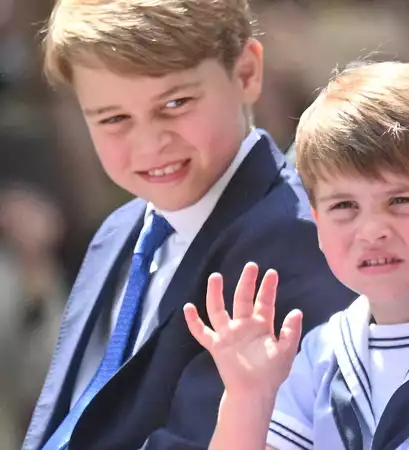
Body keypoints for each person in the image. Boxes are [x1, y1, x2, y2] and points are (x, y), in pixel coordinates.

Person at [23, 0, 355, 448]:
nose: (149, 144)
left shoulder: (298, 242)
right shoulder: (120, 232)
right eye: (114, 118)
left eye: (175, 104)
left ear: (246, 74)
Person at [183, 61, 409, 450]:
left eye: (400, 200)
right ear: (317, 224)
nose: (372, 230)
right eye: (344, 206)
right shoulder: (319, 354)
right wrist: (247, 396)